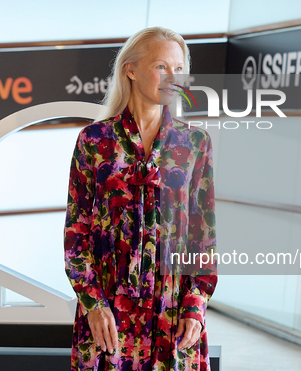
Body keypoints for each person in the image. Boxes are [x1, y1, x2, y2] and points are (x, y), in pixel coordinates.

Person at [64, 26, 217, 371]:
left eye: (179, 69)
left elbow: (203, 234)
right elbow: (77, 233)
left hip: (173, 313)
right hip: (110, 316)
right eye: (161, 67)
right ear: (130, 70)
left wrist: (195, 303)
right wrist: (93, 304)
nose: (172, 77)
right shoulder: (94, 141)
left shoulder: (194, 144)